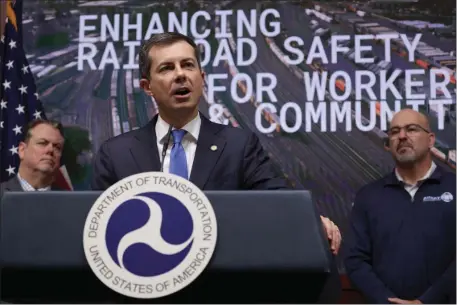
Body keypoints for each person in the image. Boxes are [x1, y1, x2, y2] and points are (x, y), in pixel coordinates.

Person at [90, 32, 342, 254]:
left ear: (201, 77)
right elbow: (96, 228)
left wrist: (309, 219)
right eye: (166, 68)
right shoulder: (117, 153)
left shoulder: (238, 145)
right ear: (147, 87)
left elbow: (276, 198)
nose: (180, 75)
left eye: (187, 65)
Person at [343, 109, 456, 304]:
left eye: (411, 129)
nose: (402, 136)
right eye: (394, 132)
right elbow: (355, 261)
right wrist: (387, 301)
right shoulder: (368, 196)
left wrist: (427, 301)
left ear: (431, 140)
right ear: (388, 145)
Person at [0, 119, 66, 193]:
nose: (51, 150)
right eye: (42, 143)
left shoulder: (69, 202)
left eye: (57, 147)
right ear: (22, 150)